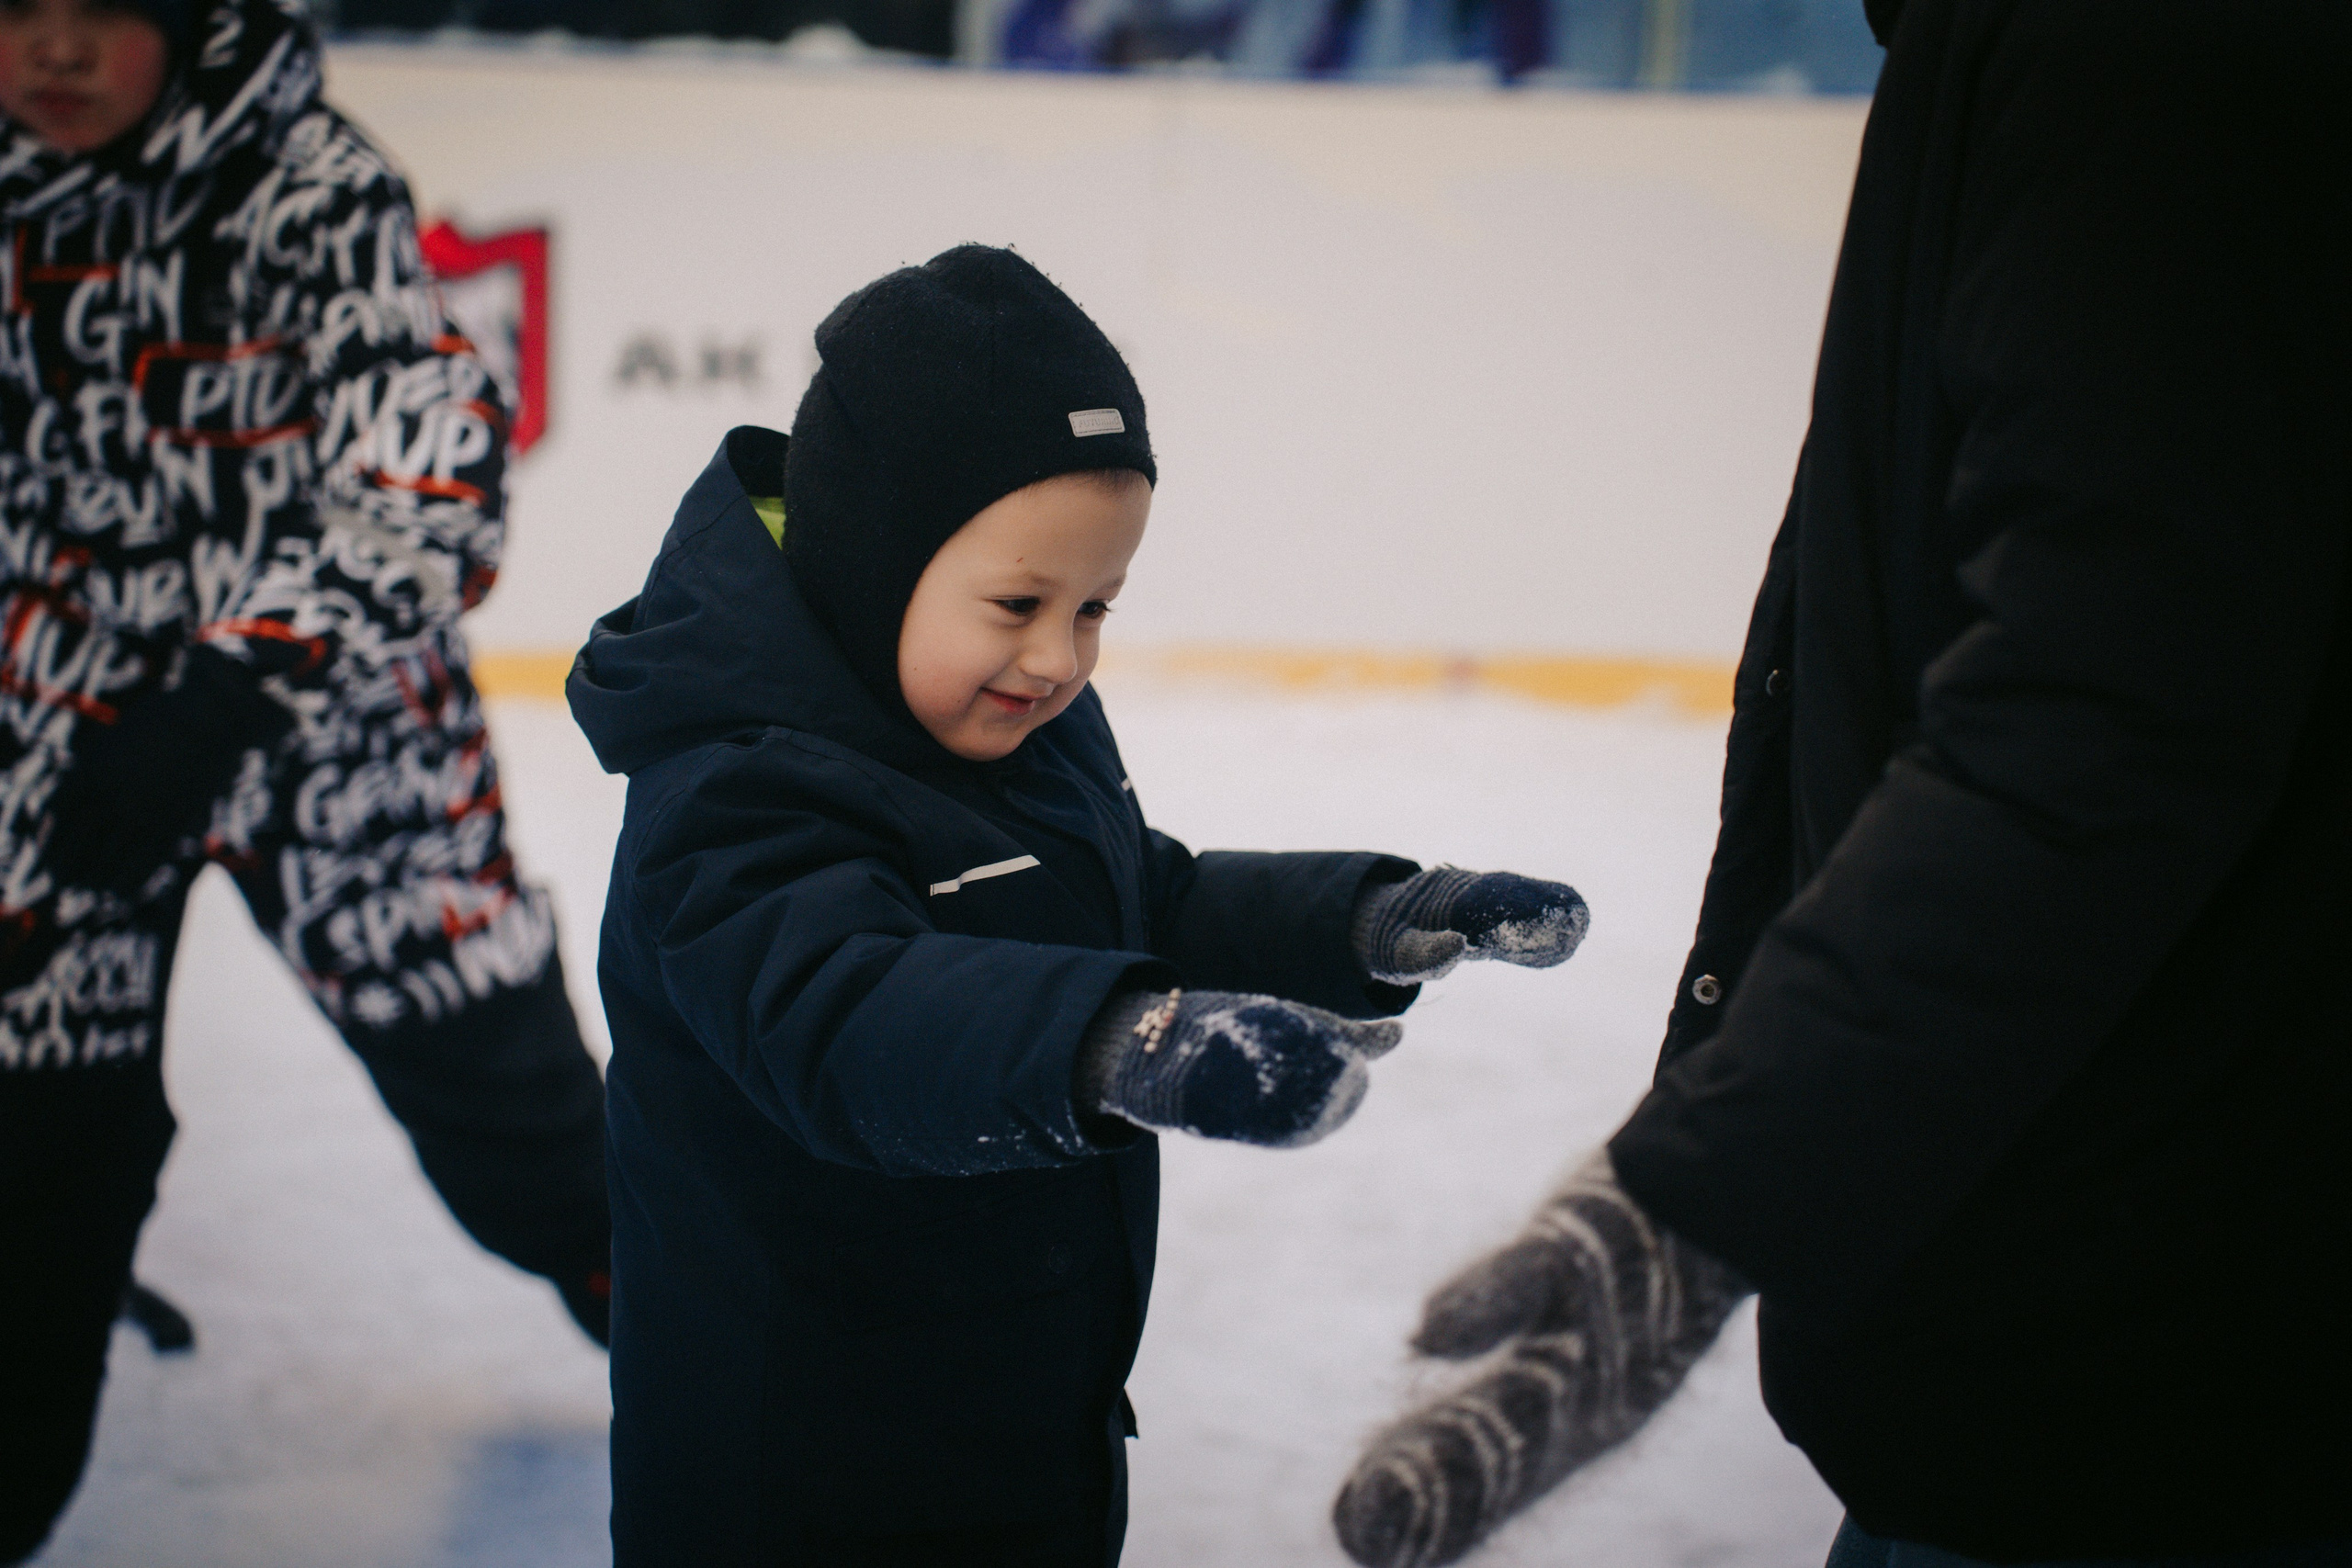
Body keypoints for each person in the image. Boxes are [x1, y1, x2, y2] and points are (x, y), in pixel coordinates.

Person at [1333, 2, 2351, 1566]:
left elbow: (2108, 705)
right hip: (2068, 1346)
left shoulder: (2155, 48)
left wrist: (1694, 1197)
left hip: (2155, 1396)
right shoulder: (2011, 41)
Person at [564, 244, 1592, 1567]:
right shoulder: (732, 794)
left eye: (1096, 605)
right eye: (1018, 603)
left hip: (1022, 1418)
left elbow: (1134, 902)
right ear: (874, 559)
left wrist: (1365, 922)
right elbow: (846, 1012)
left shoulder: (1007, 723)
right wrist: (1116, 1042)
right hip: (806, 1474)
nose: (1059, 658)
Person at [0, 0, 612, 1559]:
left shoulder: (307, 184)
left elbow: (434, 459)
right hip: (59, 728)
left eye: (100, 11)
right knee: (40, 1157)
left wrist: (234, 678)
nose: (53, 51)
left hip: (344, 729)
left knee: (523, 1124)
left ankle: (705, 1338)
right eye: (18, 9)